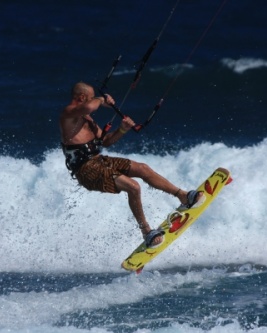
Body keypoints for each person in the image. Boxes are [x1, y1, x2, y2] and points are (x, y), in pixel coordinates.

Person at [59, 82, 204, 248]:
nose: (95, 101)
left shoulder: (87, 119)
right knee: (133, 187)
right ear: (83, 98)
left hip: (99, 161)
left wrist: (122, 129)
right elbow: (89, 107)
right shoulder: (68, 114)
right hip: (86, 170)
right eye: (91, 98)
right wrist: (101, 99)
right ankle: (147, 232)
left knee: (142, 168)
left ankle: (182, 195)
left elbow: (105, 141)